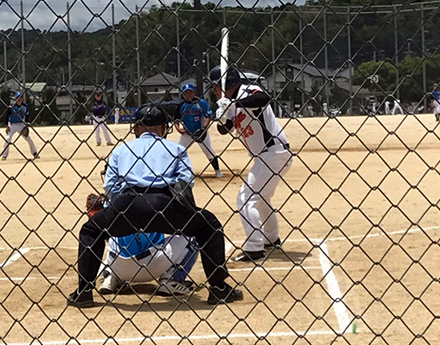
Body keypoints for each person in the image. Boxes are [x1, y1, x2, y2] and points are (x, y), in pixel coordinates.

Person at [66, 103, 242, 308]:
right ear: (164, 128)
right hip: (165, 203)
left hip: (128, 204)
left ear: (136, 129)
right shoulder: (176, 148)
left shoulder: (121, 150)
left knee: (91, 230)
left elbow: (111, 187)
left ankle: (84, 293)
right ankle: (219, 289)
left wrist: (116, 212)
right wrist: (183, 212)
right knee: (209, 225)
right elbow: (185, 183)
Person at [209, 65, 293, 262]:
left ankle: (255, 247)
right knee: (261, 199)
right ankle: (271, 238)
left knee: (246, 198)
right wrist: (221, 116)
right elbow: (225, 129)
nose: (213, 91)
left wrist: (234, 103)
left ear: (223, 83)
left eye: (215, 86)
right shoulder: (228, 101)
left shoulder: (248, 91)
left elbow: (263, 99)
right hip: (268, 156)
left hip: (274, 152)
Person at [99, 232, 198, 296]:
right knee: (193, 236)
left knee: (113, 233)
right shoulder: (159, 200)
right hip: (152, 265)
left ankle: (112, 277)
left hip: (117, 266)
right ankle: (170, 279)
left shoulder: (114, 199)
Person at [175, 83, 223, 178]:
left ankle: (217, 171)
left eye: (190, 92)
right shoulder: (181, 105)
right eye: (186, 92)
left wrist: (204, 128)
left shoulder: (201, 102)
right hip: (188, 133)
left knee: (208, 151)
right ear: (183, 94)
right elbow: (176, 119)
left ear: (194, 92)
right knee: (178, 152)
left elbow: (208, 116)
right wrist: (178, 129)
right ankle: (178, 172)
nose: (188, 94)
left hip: (201, 132)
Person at [2, 91, 39, 161]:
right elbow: (6, 116)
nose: (19, 99)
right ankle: (4, 155)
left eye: (20, 98)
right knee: (8, 139)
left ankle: (35, 153)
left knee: (29, 138)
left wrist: (26, 125)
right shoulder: (11, 107)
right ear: (15, 99)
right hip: (12, 124)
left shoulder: (25, 106)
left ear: (22, 99)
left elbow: (27, 116)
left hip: (21, 124)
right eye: (17, 98)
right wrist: (7, 125)